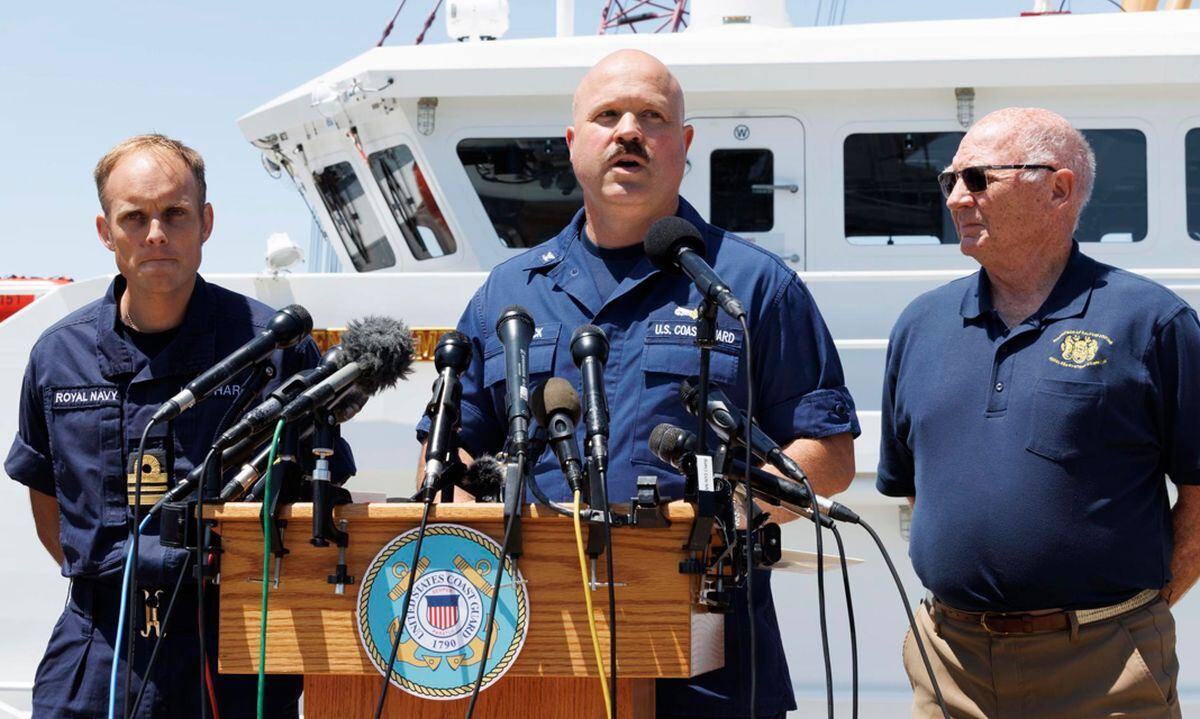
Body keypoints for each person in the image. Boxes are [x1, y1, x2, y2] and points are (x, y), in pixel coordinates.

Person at [417, 50, 858, 718]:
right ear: (573, 145)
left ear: (682, 146)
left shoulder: (750, 286)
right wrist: (477, 536)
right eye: (607, 115)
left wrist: (727, 519)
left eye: (651, 116)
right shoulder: (507, 294)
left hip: (706, 651)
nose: (628, 131)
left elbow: (827, 451)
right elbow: (447, 454)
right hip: (532, 642)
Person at [4, 134, 348, 717]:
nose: (155, 233)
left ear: (206, 222)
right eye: (134, 217)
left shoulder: (274, 349)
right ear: (104, 231)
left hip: (228, 641)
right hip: (99, 641)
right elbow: (48, 500)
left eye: (175, 213)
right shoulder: (58, 356)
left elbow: (318, 496)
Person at [878, 107, 1200, 718]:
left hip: (1105, 670)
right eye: (948, 180)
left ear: (1059, 187)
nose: (955, 199)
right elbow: (917, 490)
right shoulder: (919, 325)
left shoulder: (1151, 322)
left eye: (977, 179)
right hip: (949, 666)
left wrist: (1138, 612)